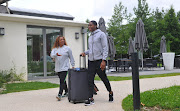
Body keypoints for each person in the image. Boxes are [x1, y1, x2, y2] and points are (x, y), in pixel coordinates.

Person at [81, 20, 113, 106]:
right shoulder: (90, 37)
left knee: (104, 78)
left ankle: (110, 92)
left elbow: (105, 48)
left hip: (99, 61)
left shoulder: (101, 34)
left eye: (91, 25)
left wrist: (104, 60)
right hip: (91, 61)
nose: (89, 27)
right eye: (88, 26)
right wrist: (85, 52)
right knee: (89, 80)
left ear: (95, 26)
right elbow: (91, 49)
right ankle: (90, 98)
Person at [51, 36, 75, 101]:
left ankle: (60, 94)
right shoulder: (55, 49)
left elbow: (71, 57)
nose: (62, 40)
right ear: (58, 41)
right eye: (60, 39)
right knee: (63, 81)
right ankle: (67, 91)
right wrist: (56, 54)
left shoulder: (67, 48)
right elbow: (52, 55)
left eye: (63, 39)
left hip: (65, 67)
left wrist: (73, 65)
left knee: (61, 80)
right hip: (58, 68)